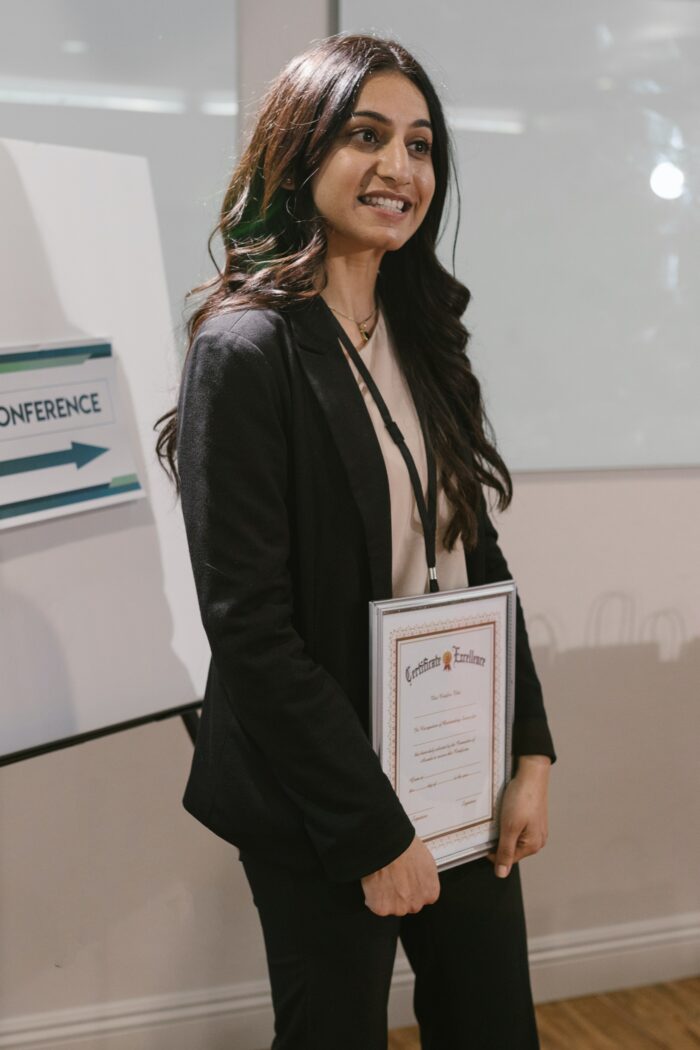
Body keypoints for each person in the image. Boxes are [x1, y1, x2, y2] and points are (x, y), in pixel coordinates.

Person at [155, 32, 556, 1050]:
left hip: (454, 760)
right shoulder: (246, 348)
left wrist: (530, 747)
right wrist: (372, 830)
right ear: (302, 151)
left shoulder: (419, 331)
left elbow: (475, 553)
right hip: (322, 791)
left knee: (493, 1028)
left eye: (420, 146)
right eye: (366, 135)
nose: (399, 168)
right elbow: (248, 625)